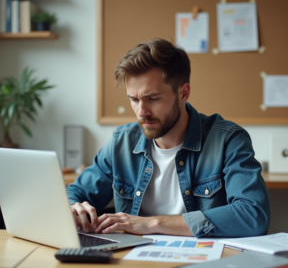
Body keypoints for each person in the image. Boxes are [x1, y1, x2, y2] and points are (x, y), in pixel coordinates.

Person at [67, 38, 270, 238]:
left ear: (183, 93)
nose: (141, 111)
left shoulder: (228, 140)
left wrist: (152, 223)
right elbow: (74, 194)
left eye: (152, 99)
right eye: (134, 99)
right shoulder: (122, 142)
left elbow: (253, 215)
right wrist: (73, 207)